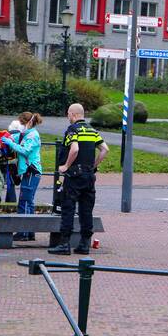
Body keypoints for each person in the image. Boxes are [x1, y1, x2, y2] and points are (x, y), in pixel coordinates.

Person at [48, 103, 108, 255]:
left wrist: (66, 166)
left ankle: (64, 245)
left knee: (68, 209)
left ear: (73, 114)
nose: (68, 117)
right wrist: (93, 165)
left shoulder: (73, 130)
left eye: (68, 114)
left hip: (74, 176)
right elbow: (104, 149)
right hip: (89, 176)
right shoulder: (92, 130)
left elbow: (74, 149)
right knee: (86, 211)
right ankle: (84, 244)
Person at [4, 112, 43, 242]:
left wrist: (10, 143)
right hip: (29, 172)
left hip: (32, 171)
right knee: (28, 202)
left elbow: (25, 150)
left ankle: (23, 232)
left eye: (21, 123)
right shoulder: (26, 134)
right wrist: (7, 137)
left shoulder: (33, 136)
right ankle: (30, 231)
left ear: (28, 123)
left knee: (25, 201)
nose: (20, 125)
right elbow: (15, 137)